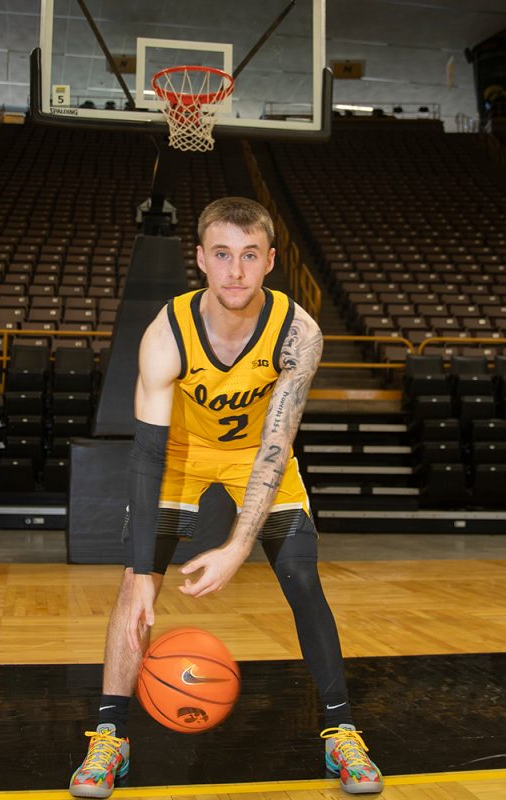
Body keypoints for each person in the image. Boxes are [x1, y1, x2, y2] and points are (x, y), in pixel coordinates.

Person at [68, 197, 382, 798]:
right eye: (221, 255)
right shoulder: (167, 333)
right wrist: (139, 571)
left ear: (269, 261)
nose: (235, 270)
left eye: (248, 255)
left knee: (300, 574)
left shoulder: (299, 333)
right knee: (137, 586)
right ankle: (110, 735)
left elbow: (275, 446)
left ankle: (341, 731)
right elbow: (147, 455)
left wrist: (240, 544)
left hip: (257, 459)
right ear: (201, 261)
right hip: (180, 455)